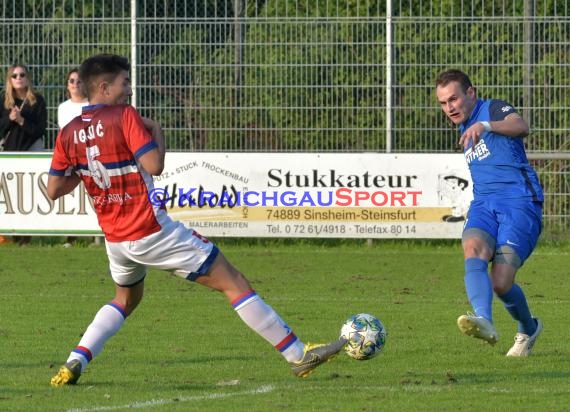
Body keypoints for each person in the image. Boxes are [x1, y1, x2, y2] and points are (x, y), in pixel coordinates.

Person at [47, 54, 346, 386]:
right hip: (151, 230)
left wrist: (86, 168)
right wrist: (156, 131)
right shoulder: (124, 116)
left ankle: (75, 361)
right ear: (104, 86)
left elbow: (55, 188)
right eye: (124, 83)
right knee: (233, 281)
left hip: (116, 240)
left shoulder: (69, 132)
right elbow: (155, 164)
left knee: (125, 299)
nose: (129, 90)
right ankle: (297, 356)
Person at [435, 69, 543, 357]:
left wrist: (486, 125)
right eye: (444, 103)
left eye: (454, 99)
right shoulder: (464, 127)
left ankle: (528, 328)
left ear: (471, 93)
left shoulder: (492, 109)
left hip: (520, 204)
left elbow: (521, 126)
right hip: (484, 204)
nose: (450, 108)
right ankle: (483, 318)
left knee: (501, 283)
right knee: (472, 248)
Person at [0, 64, 47, 246]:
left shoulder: (37, 101)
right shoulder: (3, 100)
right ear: (10, 80)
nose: (18, 78)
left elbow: (39, 130)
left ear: (28, 78)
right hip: (11, 153)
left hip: (31, 151)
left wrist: (21, 121)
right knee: (11, 195)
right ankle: (12, 233)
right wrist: (10, 120)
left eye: (22, 75)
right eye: (14, 75)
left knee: (30, 194)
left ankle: (27, 236)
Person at [57, 68, 90, 247]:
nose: (75, 84)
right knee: (70, 196)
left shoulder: (92, 103)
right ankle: (71, 237)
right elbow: (64, 133)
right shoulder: (63, 107)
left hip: (92, 156)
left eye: (79, 81)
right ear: (67, 85)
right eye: (72, 81)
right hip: (72, 157)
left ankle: (97, 237)